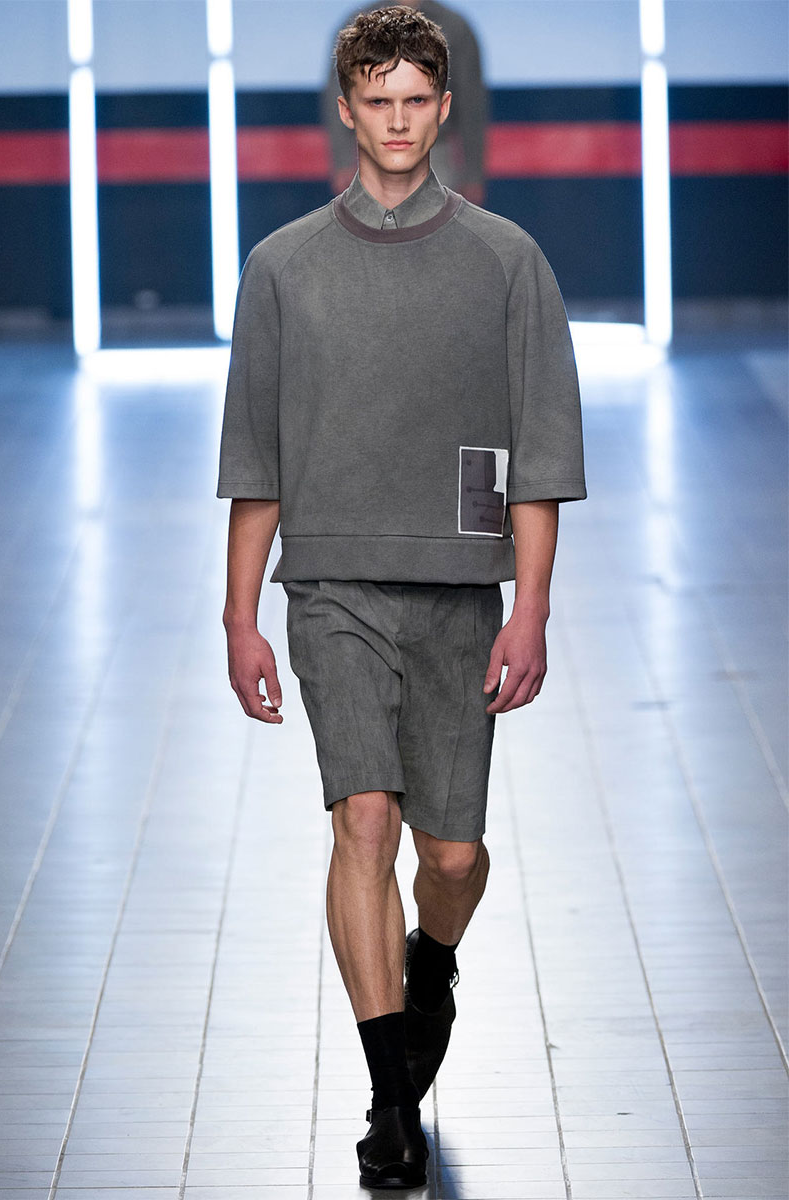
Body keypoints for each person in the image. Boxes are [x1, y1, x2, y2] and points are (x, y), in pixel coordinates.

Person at [217, 6, 586, 1190]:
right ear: (344, 109)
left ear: (442, 107)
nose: (394, 120)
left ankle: (432, 962)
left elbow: (539, 459)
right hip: (330, 585)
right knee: (362, 821)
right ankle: (390, 1103)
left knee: (454, 856)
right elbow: (256, 461)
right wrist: (239, 616)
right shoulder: (282, 268)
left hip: (459, 592)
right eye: (374, 100)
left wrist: (529, 610)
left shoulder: (504, 262)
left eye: (413, 100)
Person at [322, 0, 488, 204]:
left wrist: (473, 173)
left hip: (436, 153)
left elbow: (471, 105)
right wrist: (342, 161)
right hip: (369, 155)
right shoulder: (356, 27)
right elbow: (338, 94)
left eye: (417, 100)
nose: (398, 123)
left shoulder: (455, 26)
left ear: (443, 107)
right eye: (378, 101)